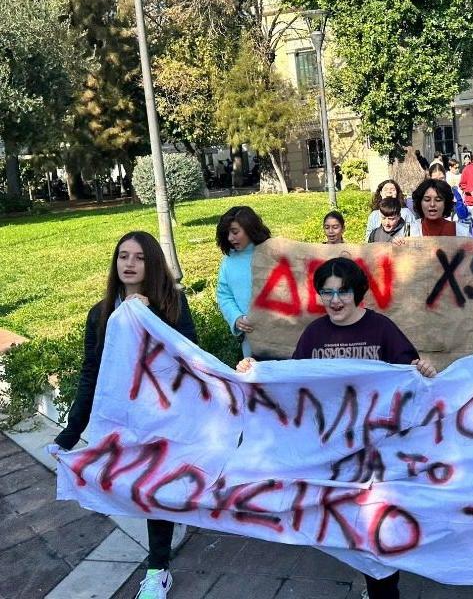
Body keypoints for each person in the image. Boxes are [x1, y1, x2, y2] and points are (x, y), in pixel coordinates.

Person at [237, 257, 436, 599]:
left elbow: (410, 380)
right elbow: (293, 385)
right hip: (332, 457)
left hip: (379, 457)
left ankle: (383, 590)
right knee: (355, 532)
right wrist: (257, 371)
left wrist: (425, 371)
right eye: (327, 292)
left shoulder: (382, 330)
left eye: (343, 291)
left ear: (358, 292)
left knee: (378, 532)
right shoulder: (314, 334)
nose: (335, 300)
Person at [54, 231, 197, 599]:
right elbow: (92, 373)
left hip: (165, 418)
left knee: (154, 489)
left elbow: (191, 360)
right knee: (136, 488)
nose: (129, 264)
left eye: (139, 257)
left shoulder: (172, 304)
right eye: (123, 256)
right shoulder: (100, 314)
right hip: (124, 421)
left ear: (152, 264)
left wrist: (147, 315)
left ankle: (158, 570)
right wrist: (71, 432)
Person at [216, 206, 272, 358]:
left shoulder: (272, 252)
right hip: (250, 337)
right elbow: (224, 295)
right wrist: (236, 317)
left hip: (279, 333)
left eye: (235, 232)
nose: (230, 238)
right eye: (227, 233)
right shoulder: (228, 261)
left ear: (249, 229)